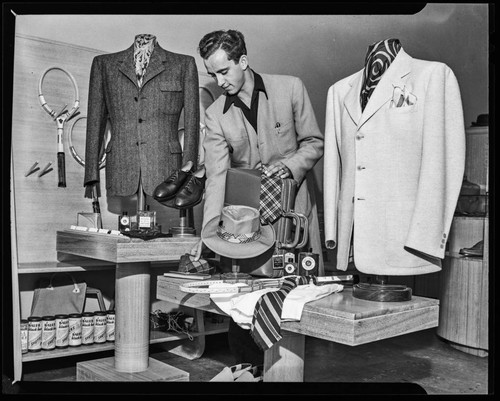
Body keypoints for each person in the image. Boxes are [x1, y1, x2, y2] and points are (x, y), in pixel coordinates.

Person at [190, 29, 324, 364]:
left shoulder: (290, 88)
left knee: (295, 301)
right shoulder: (215, 114)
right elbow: (217, 176)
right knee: (246, 301)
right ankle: (250, 370)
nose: (219, 81)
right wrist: (208, 232)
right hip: (250, 221)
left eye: (224, 71)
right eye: (212, 74)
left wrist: (288, 166)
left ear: (243, 61)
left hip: (294, 214)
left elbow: (314, 143)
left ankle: (287, 370)